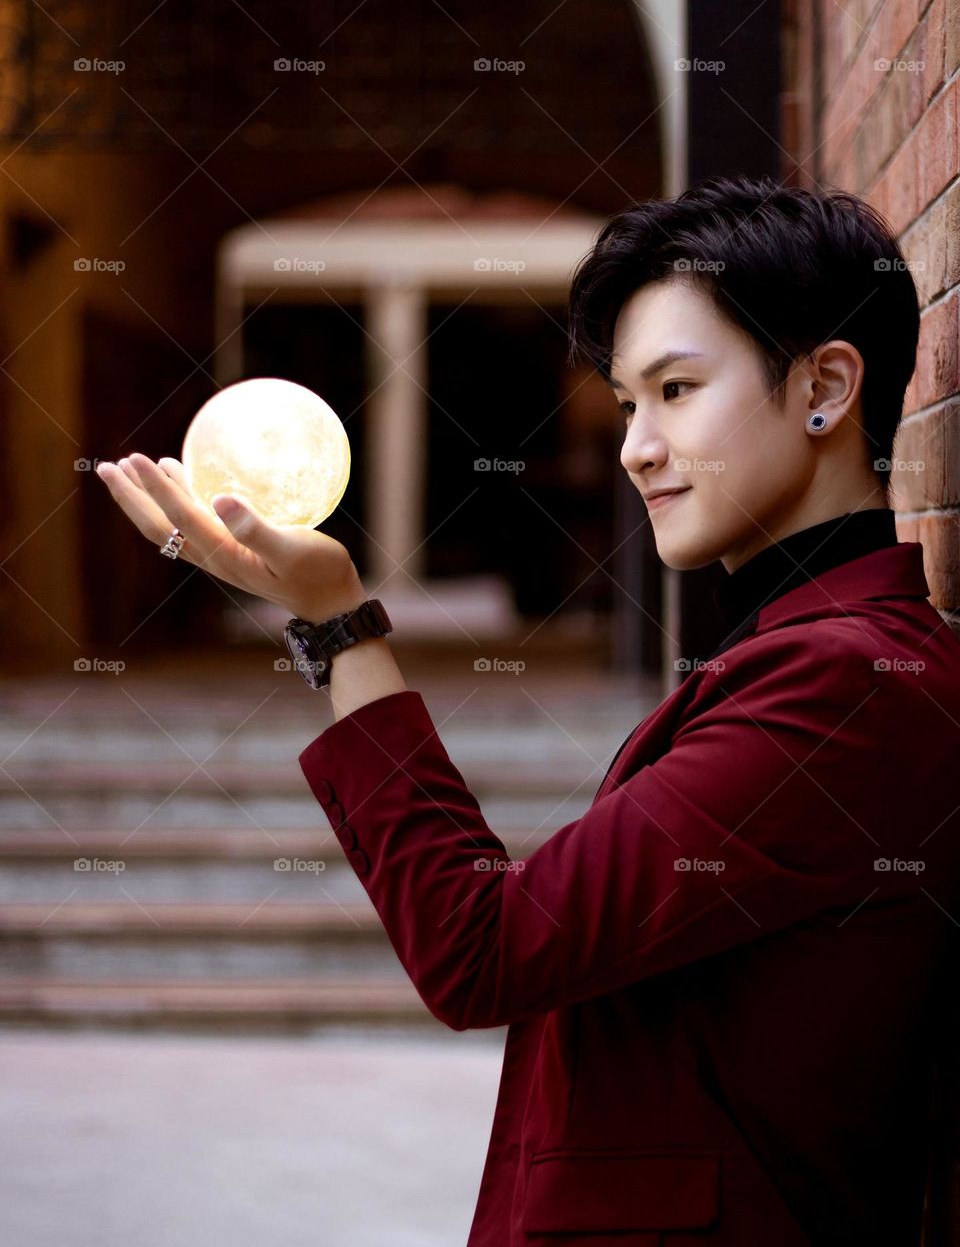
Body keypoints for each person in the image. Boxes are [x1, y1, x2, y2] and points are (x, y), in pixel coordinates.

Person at [96, 174, 960, 1246]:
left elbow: (485, 944)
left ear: (826, 385)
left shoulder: (843, 689)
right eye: (628, 398)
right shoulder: (805, 658)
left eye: (677, 389)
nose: (635, 443)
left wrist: (336, 621)